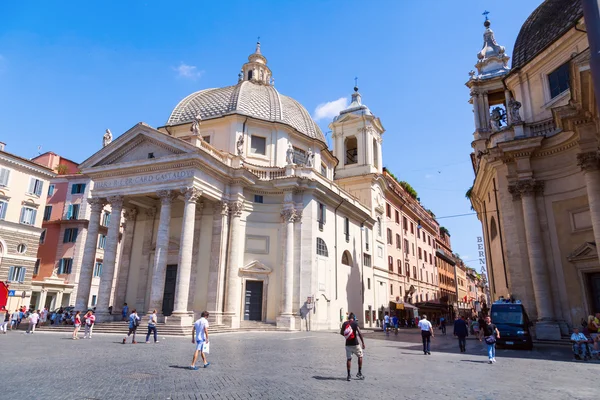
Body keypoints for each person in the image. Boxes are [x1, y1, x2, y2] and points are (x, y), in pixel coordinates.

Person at [340, 312, 365, 381]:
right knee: (360, 356)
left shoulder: (345, 323)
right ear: (354, 318)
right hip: (355, 344)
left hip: (348, 344)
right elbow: (359, 333)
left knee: (349, 359)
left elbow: (341, 332)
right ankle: (359, 372)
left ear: (348, 318)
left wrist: (347, 336)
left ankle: (348, 375)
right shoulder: (355, 323)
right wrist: (363, 343)